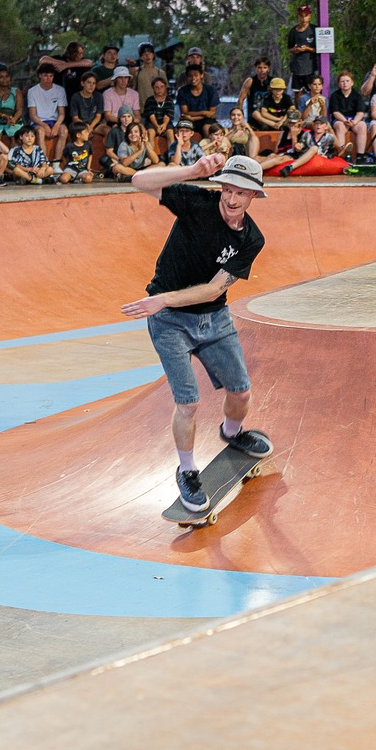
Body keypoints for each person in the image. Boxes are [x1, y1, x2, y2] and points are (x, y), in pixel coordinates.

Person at [118, 151, 273, 514]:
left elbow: (215, 289)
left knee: (242, 392)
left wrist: (163, 298)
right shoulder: (196, 201)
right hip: (170, 322)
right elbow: (139, 181)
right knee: (187, 403)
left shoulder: (252, 238)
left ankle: (232, 433)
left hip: (213, 318)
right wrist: (193, 170)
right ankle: (187, 471)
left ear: (253, 197)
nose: (232, 200)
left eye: (241, 193)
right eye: (227, 190)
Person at [27, 66, 70, 159]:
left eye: (51, 76)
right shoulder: (32, 91)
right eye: (45, 76)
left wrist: (57, 125)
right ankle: (44, 163)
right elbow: (32, 115)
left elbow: (62, 113)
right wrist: (44, 125)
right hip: (38, 122)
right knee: (40, 132)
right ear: (40, 76)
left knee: (64, 130)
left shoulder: (60, 90)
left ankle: (56, 163)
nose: (48, 79)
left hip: (54, 121)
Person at [284, 4, 320, 85]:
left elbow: (321, 49)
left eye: (306, 15)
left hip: (311, 68)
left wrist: (307, 48)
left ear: (310, 16)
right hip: (297, 68)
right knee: (297, 92)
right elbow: (289, 49)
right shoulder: (293, 31)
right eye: (301, 16)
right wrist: (294, 50)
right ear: (298, 16)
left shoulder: (315, 30)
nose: (303, 18)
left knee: (313, 89)